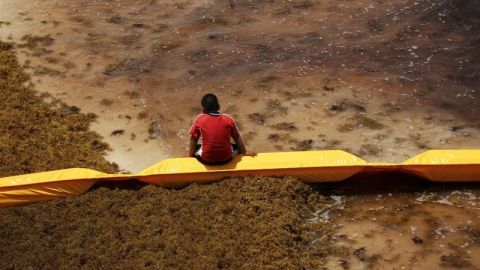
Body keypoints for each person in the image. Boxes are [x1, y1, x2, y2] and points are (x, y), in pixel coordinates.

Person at [189, 93, 256, 165]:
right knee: (236, 146)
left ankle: (191, 156)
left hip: (207, 160)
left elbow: (194, 138)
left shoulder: (200, 119)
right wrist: (244, 152)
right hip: (227, 159)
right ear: (219, 106)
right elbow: (237, 136)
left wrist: (190, 155)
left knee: (196, 147)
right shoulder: (227, 119)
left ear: (203, 110)